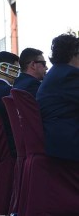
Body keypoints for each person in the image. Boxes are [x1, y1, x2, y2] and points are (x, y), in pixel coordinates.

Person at [37, 33, 79, 161]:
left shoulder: (57, 72)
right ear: (73, 54)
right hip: (68, 141)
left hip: (58, 139)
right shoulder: (68, 75)